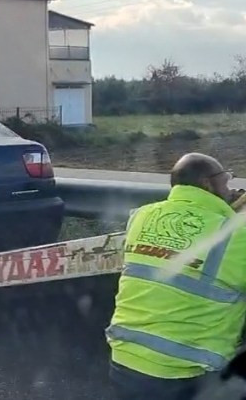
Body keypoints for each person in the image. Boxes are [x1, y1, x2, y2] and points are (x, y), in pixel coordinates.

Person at [107, 153, 246, 400]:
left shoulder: (141, 216)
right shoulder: (234, 235)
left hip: (125, 361)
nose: (231, 189)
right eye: (226, 181)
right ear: (207, 184)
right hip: (186, 373)